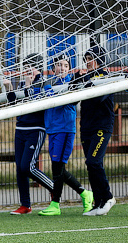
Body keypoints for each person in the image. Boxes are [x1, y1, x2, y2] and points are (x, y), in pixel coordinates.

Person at [36, 54, 94, 216]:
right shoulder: (48, 84)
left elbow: (73, 100)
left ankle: (55, 204)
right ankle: (84, 193)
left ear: (69, 69)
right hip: (52, 129)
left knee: (58, 166)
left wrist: (73, 83)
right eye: (59, 65)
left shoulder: (72, 82)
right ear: (53, 68)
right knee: (58, 167)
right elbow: (46, 96)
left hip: (65, 128)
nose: (62, 68)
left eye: (65, 65)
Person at [4, 54, 55, 214]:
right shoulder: (22, 82)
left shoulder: (43, 82)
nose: (26, 69)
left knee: (28, 166)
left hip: (36, 129)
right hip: (20, 129)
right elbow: (15, 104)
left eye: (29, 66)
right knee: (20, 168)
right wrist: (9, 88)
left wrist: (28, 86)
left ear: (37, 68)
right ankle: (25, 205)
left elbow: (35, 104)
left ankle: (54, 187)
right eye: (25, 66)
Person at [74, 46, 117, 216]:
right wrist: (76, 80)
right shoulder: (85, 77)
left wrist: (85, 82)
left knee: (94, 161)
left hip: (102, 126)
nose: (88, 62)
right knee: (90, 165)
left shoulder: (105, 77)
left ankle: (108, 197)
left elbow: (100, 96)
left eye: (91, 58)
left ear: (99, 60)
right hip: (86, 127)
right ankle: (98, 203)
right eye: (86, 59)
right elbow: (72, 93)